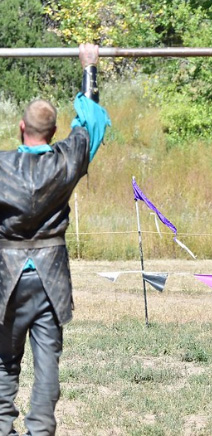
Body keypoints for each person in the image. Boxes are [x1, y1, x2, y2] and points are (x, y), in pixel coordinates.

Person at [0, 43, 110, 435]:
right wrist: (89, 69)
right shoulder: (69, 157)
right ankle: (40, 431)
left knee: (3, 364)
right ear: (54, 131)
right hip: (50, 282)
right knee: (47, 363)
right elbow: (92, 121)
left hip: (6, 280)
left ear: (20, 128)